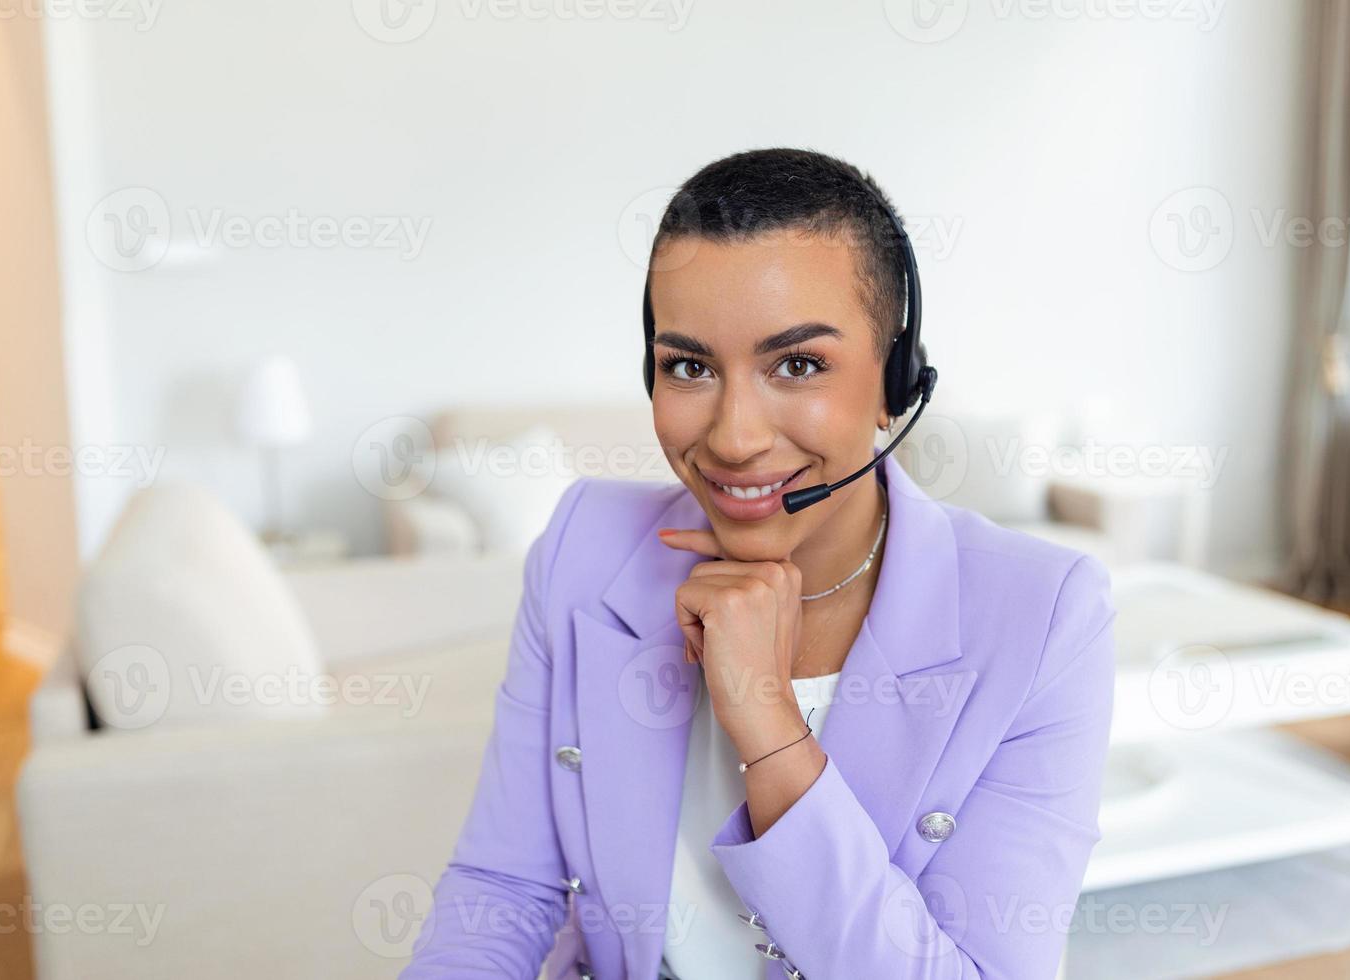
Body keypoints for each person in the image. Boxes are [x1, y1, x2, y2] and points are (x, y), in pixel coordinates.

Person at [400, 147, 1116, 980]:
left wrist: (768, 725)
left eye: (798, 364)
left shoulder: (1043, 614)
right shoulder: (581, 547)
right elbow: (503, 886)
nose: (734, 438)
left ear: (895, 383)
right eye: (690, 366)